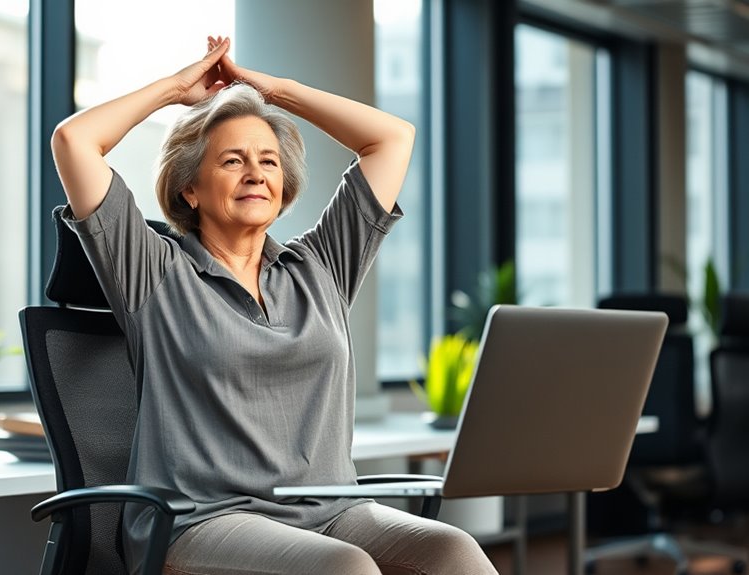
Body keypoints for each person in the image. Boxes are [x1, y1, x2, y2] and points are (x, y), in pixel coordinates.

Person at [51, 36, 497, 575]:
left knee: (454, 551)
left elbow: (391, 138)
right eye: (233, 160)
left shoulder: (322, 267)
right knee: (344, 568)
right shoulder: (153, 271)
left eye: (268, 161)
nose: (256, 173)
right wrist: (175, 90)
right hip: (202, 521)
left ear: (284, 184)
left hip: (332, 512)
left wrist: (273, 91)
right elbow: (75, 140)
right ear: (190, 189)